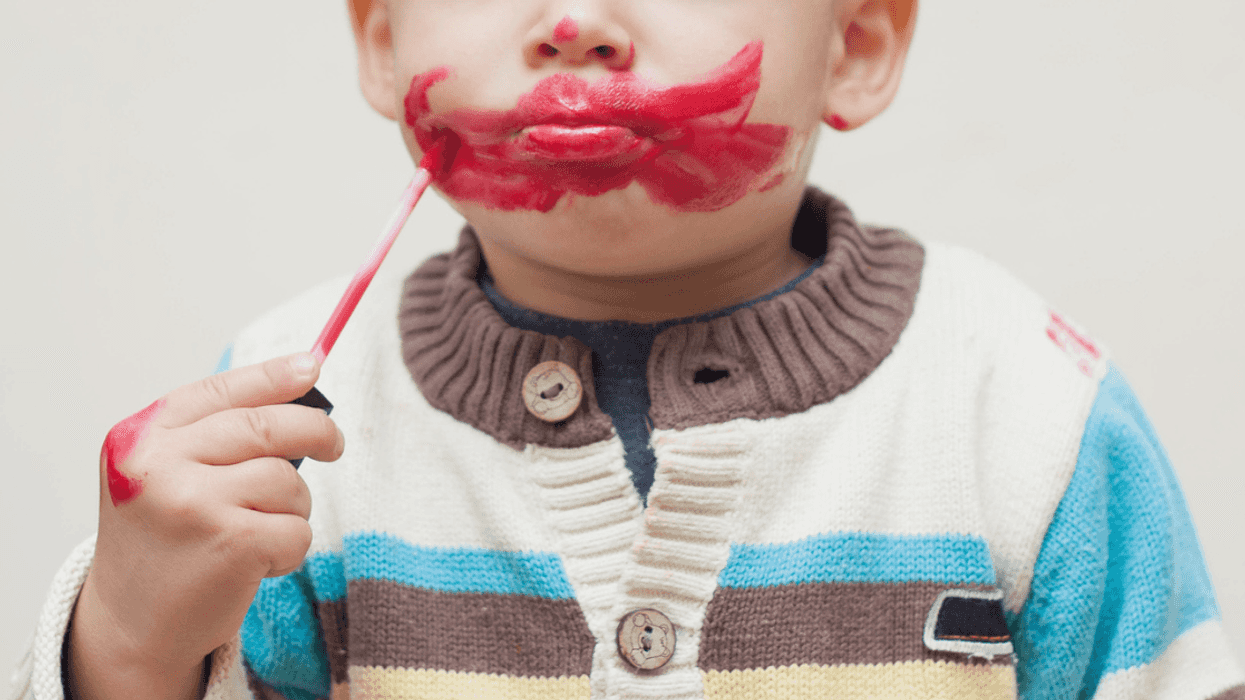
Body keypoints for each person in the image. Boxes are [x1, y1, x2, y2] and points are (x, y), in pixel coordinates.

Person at [13, 0, 1244, 698]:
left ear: (858, 44)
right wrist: (127, 641)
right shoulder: (293, 428)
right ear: (381, 43)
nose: (574, 24)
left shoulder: (1030, 408)